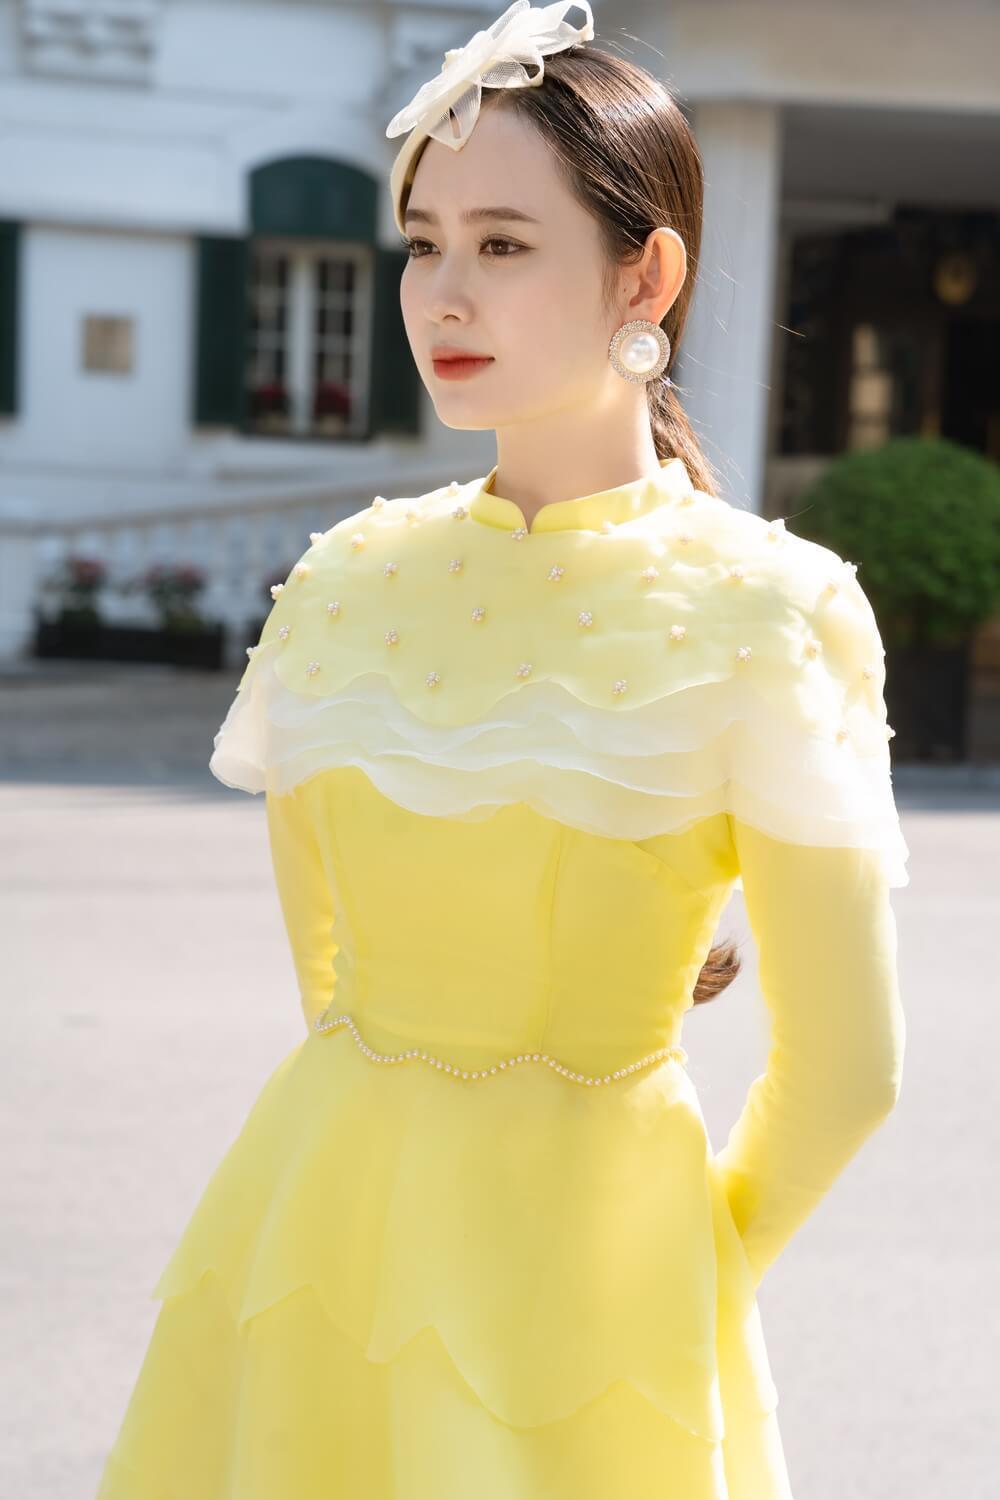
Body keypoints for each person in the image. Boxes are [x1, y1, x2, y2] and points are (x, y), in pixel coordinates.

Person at [95, 3, 908, 1496]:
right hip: (322, 1255)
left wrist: (683, 1272)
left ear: (643, 275)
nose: (442, 295)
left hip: (502, 1257)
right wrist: (674, 1269)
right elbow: (329, 977)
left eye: (504, 244)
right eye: (423, 244)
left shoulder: (770, 606)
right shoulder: (342, 577)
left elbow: (850, 1071)